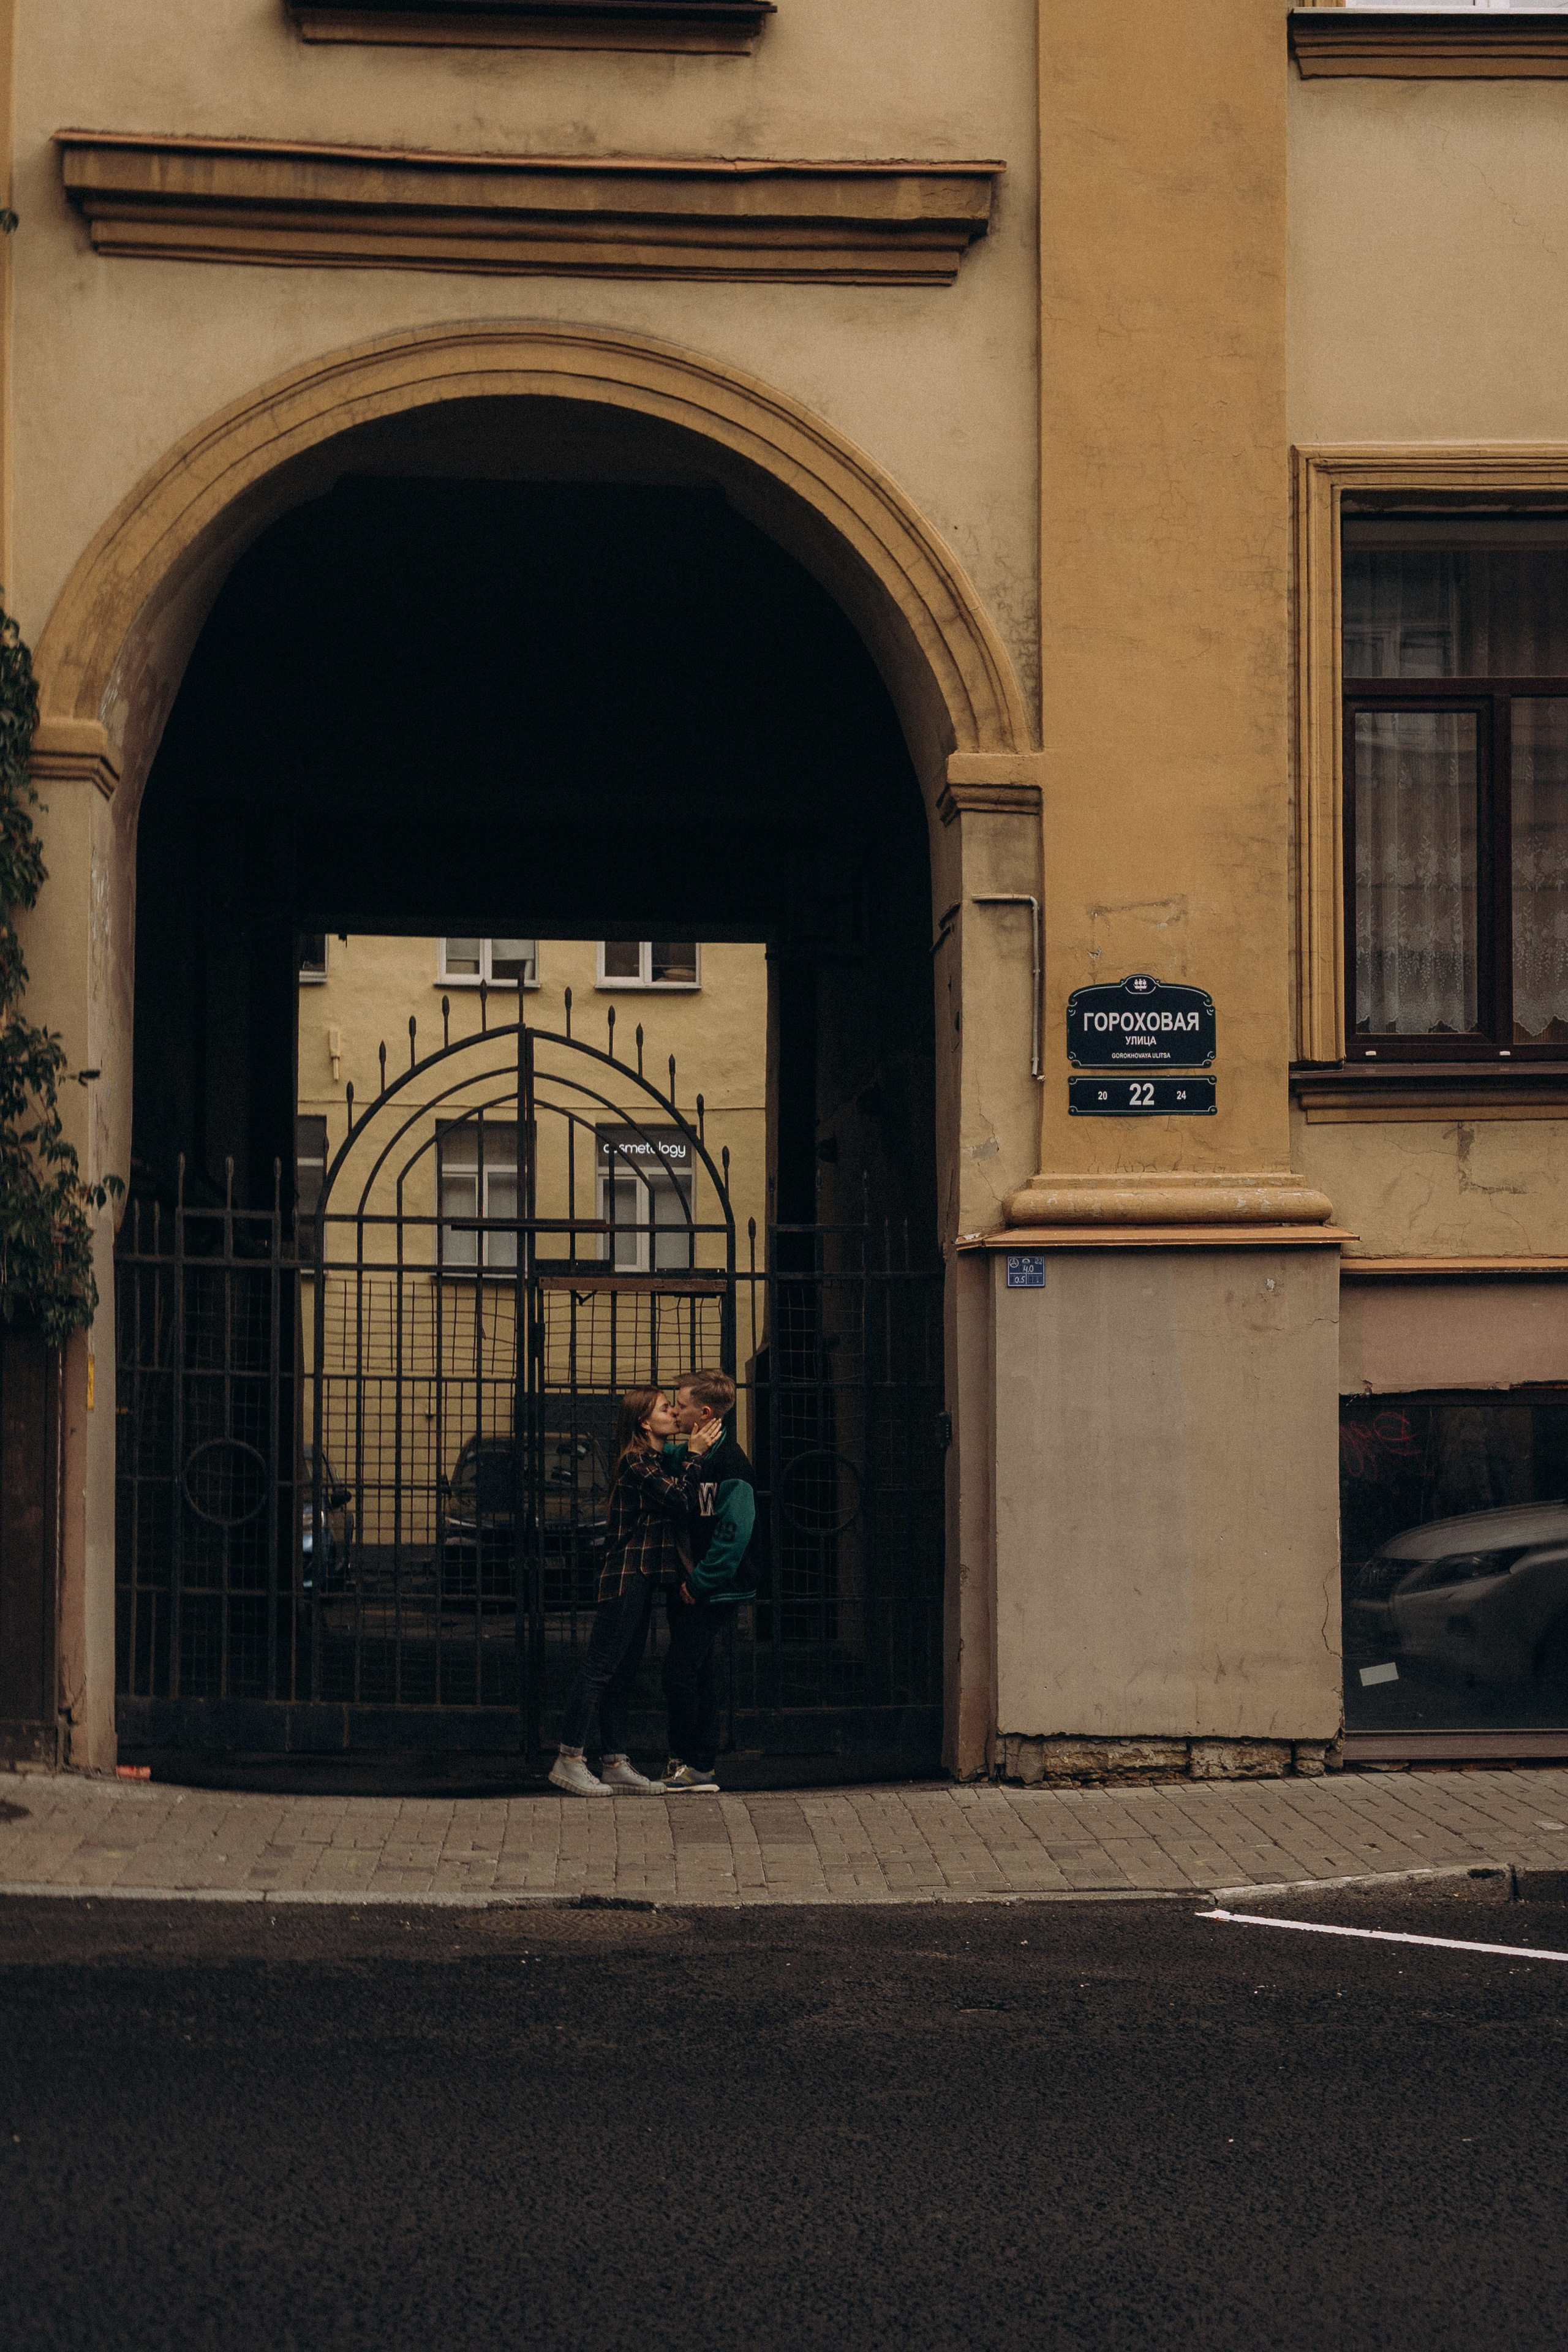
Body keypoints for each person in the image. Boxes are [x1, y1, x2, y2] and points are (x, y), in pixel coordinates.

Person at [548, 1386, 725, 1798]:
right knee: (599, 1669)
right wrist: (695, 1453)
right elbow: (681, 1499)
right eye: (665, 1408)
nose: (673, 1414)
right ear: (645, 1423)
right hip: (627, 1577)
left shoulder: (657, 1460)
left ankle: (614, 1763)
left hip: (644, 1579)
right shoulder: (635, 1461)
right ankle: (569, 1758)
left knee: (623, 1673)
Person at [659, 1369, 757, 1794]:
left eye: (679, 1405)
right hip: (693, 1585)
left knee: (680, 1673)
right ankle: (697, 1764)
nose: (674, 1411)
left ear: (703, 1413)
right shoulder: (696, 1455)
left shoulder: (731, 1465)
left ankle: (693, 1763)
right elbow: (663, 1460)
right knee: (698, 1673)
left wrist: (698, 1584)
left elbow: (733, 1537)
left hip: (711, 1590)